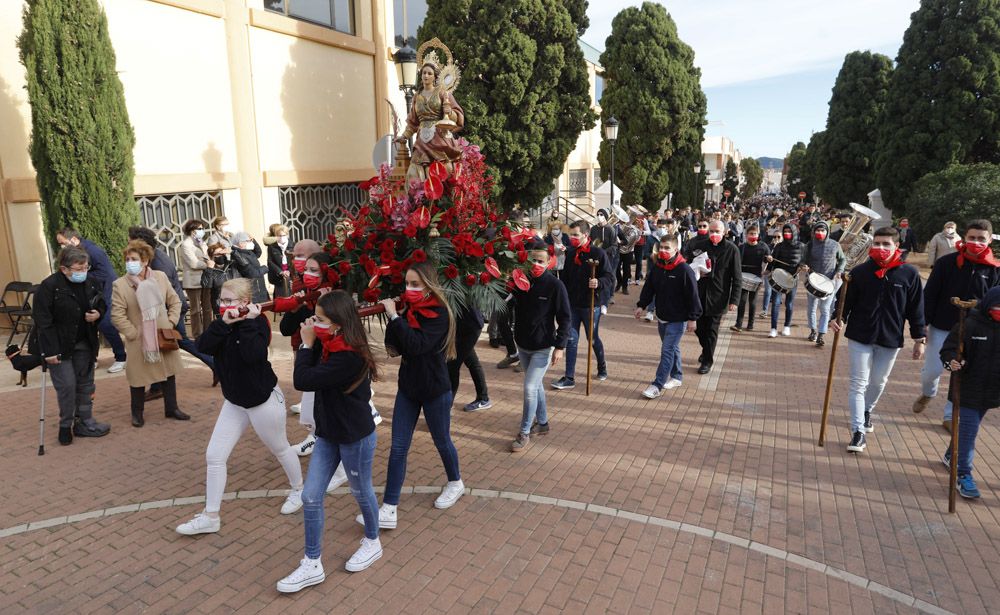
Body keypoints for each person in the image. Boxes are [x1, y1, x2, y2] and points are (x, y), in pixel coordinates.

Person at [175, 278, 304, 536]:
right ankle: (211, 515)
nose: (224, 305)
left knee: (279, 447)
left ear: (245, 302)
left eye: (229, 301)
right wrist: (224, 324)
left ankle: (299, 489)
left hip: (262, 401)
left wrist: (248, 322)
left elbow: (252, 355)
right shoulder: (221, 324)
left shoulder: (257, 324)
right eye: (221, 300)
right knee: (214, 456)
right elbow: (202, 346)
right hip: (234, 402)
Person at [276, 291, 383, 591]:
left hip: (354, 436)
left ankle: (372, 541)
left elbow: (304, 380)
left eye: (321, 319)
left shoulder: (347, 355)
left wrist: (308, 343)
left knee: (361, 491)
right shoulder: (331, 345)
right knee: (310, 496)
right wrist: (311, 332)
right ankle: (312, 563)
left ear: (338, 324)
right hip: (328, 434)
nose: (314, 324)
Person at [364, 261, 463, 530]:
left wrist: (396, 318)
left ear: (429, 286)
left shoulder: (439, 313)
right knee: (398, 447)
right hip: (408, 387)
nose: (409, 289)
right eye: (407, 284)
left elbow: (418, 346)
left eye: (415, 284)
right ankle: (389, 507)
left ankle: (455, 482)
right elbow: (395, 348)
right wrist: (394, 316)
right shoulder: (408, 310)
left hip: (434, 388)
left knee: (442, 440)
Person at [831, 227, 926, 453]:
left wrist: (919, 338)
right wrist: (838, 317)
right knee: (858, 383)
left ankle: (866, 410)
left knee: (878, 383)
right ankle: (858, 432)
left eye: (886, 244)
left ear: (896, 247)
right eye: (877, 244)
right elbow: (845, 301)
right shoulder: (860, 272)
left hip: (890, 338)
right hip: (859, 336)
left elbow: (916, 309)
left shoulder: (909, 274)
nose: (881, 248)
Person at [913, 220, 1000, 431]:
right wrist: (923, 325)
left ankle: (950, 416)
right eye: (972, 238)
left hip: (975, 331)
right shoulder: (947, 263)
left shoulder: (995, 269)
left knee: (960, 371)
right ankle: (928, 392)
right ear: (964, 238)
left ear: (989, 240)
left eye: (981, 239)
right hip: (942, 326)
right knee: (932, 370)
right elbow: (930, 295)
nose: (976, 242)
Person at [30, 246, 111, 444]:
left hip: (85, 341)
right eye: (78, 268)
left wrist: (98, 313)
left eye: (85, 267)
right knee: (67, 385)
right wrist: (49, 351)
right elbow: (43, 320)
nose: (83, 272)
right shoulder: (49, 286)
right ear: (64, 269)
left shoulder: (90, 282)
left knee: (85, 384)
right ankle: (65, 424)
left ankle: (85, 421)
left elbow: (101, 301)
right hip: (59, 346)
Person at [110, 240, 190, 427]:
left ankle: (172, 408)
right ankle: (137, 413)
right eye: (127, 259)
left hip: (163, 334)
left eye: (134, 259)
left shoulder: (160, 277)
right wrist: (133, 333)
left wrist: (170, 321)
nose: (129, 262)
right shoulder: (120, 285)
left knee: (169, 373)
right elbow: (117, 314)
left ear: (145, 261)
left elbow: (175, 301)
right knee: (138, 378)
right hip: (140, 339)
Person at [128, 226, 216, 395]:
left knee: (173, 341)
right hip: (166, 309)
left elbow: (162, 291)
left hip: (169, 309)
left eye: (131, 240)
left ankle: (214, 364)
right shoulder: (152, 256)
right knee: (168, 342)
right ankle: (157, 385)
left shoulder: (158, 262)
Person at [510, 240, 571, 452]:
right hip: (523, 343)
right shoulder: (520, 280)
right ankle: (543, 423)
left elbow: (565, 318)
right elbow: (508, 301)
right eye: (533, 260)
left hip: (543, 346)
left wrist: (560, 346)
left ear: (549, 263)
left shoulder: (555, 286)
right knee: (535, 386)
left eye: (540, 261)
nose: (536, 264)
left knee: (528, 388)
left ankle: (525, 431)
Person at [939, 286, 1000, 499]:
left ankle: (951, 454)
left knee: (967, 429)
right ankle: (963, 474)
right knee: (969, 430)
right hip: (966, 389)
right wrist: (952, 361)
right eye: (996, 307)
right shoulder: (970, 324)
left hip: (991, 391)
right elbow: (948, 349)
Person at [551, 220, 615, 390]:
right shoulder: (570, 253)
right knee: (571, 339)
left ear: (585, 235)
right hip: (572, 304)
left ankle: (602, 366)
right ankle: (569, 377)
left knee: (592, 339)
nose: (571, 238)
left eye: (575, 235)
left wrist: (598, 282)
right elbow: (564, 278)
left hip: (590, 305)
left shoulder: (598, 253)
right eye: (571, 235)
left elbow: (609, 277)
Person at [635, 234, 701, 398]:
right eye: (661, 248)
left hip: (678, 319)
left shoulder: (684, 270)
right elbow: (649, 288)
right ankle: (677, 376)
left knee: (667, 351)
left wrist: (693, 318)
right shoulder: (658, 267)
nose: (663, 251)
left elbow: (693, 295)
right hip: (662, 316)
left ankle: (657, 385)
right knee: (672, 348)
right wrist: (641, 305)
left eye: (667, 248)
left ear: (676, 249)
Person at [55, 228, 127, 373]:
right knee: (89, 325)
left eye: (63, 243)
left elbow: (106, 273)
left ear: (74, 240)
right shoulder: (75, 254)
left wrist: (83, 275)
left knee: (106, 324)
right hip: (90, 292)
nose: (62, 247)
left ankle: (121, 357)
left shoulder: (93, 251)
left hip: (106, 291)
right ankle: (92, 358)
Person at [688, 220, 741, 375]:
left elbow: (737, 277)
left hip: (718, 297)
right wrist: (697, 270)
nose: (714, 234)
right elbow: (690, 263)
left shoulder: (732, 249)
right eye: (711, 231)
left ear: (724, 232)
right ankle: (706, 350)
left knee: (711, 330)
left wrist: (734, 300)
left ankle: (707, 361)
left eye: (717, 231)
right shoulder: (700, 246)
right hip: (699, 293)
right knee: (699, 328)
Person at [396, 61, 464, 180]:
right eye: (424, 73)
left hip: (439, 137)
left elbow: (457, 117)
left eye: (429, 73)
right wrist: (404, 136)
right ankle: (420, 196)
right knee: (414, 171)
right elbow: (413, 122)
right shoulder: (417, 96)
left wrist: (450, 112)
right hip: (422, 140)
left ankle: (442, 196)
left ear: (435, 77)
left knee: (442, 170)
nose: (426, 76)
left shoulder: (442, 92)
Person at [801, 221, 846, 347]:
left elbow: (843, 259)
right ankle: (813, 331)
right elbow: (802, 260)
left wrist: (839, 271)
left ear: (827, 232)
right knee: (811, 308)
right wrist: (803, 266)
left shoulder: (835, 245)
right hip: (812, 280)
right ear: (814, 231)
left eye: (823, 230)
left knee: (825, 309)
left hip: (829, 281)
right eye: (818, 230)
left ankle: (821, 334)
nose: (820, 233)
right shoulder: (809, 245)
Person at [449, 305, 491, 412]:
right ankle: (483, 398)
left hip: (469, 327)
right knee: (472, 362)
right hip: (461, 327)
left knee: (452, 366)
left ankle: (446, 407)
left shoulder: (464, 289)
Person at [766, 223, 804, 338]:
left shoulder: (802, 246)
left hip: (792, 278)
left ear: (794, 232)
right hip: (778, 278)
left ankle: (787, 326)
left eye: (789, 231)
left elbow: (804, 261)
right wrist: (769, 260)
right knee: (776, 303)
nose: (787, 233)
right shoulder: (779, 246)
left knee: (789, 303)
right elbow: (773, 261)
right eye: (785, 231)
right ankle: (773, 328)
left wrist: (803, 265)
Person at [179, 219, 215, 338]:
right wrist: (208, 264)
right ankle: (197, 334)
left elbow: (208, 256)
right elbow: (193, 264)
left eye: (202, 229)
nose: (202, 231)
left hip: (205, 279)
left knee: (207, 308)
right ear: (192, 231)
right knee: (195, 310)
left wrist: (202, 246)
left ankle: (208, 332)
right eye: (199, 229)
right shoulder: (186, 245)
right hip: (193, 281)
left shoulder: (201, 243)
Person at [732, 225, 770, 332]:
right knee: (742, 301)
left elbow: (769, 259)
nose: (753, 236)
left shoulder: (763, 247)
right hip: (743, 276)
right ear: (746, 235)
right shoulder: (742, 247)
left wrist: (769, 259)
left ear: (758, 235)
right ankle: (738, 324)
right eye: (751, 234)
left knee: (752, 302)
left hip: (756, 276)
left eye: (755, 234)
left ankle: (750, 324)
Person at [230, 231, 269, 303]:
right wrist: (265, 268)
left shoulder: (246, 251)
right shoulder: (239, 255)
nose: (250, 243)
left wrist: (253, 240)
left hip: (257, 287)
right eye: (248, 241)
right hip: (251, 290)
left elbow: (258, 252)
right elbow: (252, 273)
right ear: (240, 243)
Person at [616, 217, 641, 295]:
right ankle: (619, 282)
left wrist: (638, 232)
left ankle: (625, 287)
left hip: (629, 251)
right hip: (619, 250)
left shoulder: (634, 229)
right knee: (616, 268)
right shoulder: (617, 226)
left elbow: (637, 240)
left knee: (626, 269)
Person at [267, 224, 293, 299]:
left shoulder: (293, 245)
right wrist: (280, 272)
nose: (281, 237)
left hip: (290, 273)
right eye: (279, 235)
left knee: (291, 294)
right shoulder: (271, 246)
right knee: (280, 296)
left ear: (287, 235)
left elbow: (295, 260)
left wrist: (289, 271)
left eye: (283, 235)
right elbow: (270, 261)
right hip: (278, 275)